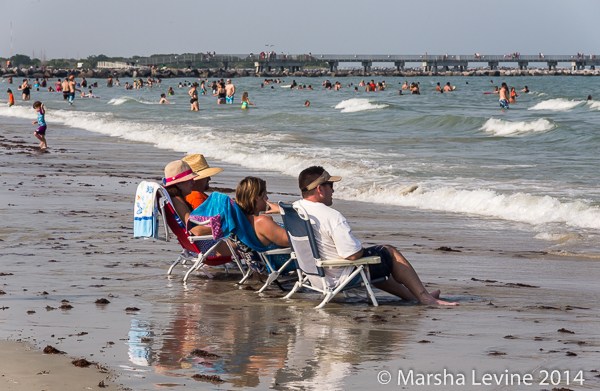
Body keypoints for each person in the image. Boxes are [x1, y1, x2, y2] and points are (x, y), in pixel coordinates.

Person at [294, 166, 458, 306]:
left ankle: (414, 296)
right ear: (319, 189)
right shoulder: (332, 216)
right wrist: (362, 251)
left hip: (315, 276)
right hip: (339, 277)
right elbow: (353, 255)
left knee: (373, 261)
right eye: (330, 185)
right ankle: (426, 298)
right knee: (388, 253)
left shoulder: (296, 210)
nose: (333, 189)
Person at [162, 160, 230, 256]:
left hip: (197, 246)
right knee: (247, 244)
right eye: (189, 179)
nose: (193, 182)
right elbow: (195, 230)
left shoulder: (174, 200)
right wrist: (226, 226)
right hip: (208, 248)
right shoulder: (178, 202)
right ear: (178, 183)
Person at [235, 176, 292, 272]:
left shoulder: (241, 220)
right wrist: (283, 211)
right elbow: (294, 241)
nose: (267, 198)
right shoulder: (261, 222)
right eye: (265, 194)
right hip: (288, 261)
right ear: (257, 197)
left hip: (275, 259)